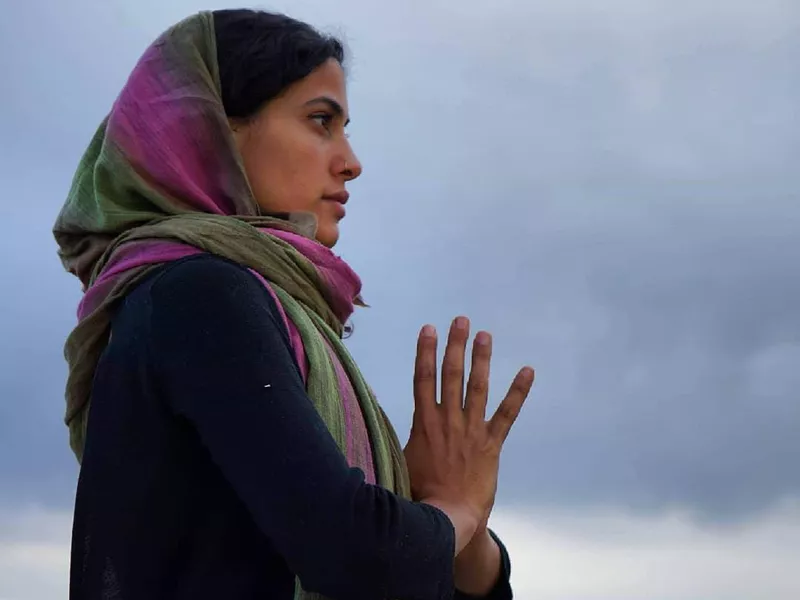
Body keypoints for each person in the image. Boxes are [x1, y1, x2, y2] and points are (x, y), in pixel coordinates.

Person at [53, 9, 535, 600]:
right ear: (212, 131)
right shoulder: (199, 294)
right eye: (320, 120)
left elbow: (384, 556)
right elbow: (355, 555)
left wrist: (463, 527)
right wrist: (451, 511)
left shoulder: (274, 307)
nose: (350, 161)